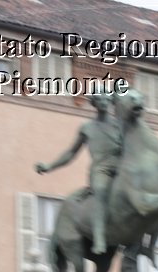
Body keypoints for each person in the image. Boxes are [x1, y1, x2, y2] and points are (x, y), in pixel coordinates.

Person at [35, 90, 123, 256]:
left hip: (120, 167)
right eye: (100, 99)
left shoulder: (119, 125)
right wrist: (49, 166)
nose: (104, 102)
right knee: (101, 192)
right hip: (101, 169)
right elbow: (70, 153)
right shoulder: (87, 128)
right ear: (94, 103)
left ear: (110, 101)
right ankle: (99, 237)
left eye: (106, 99)